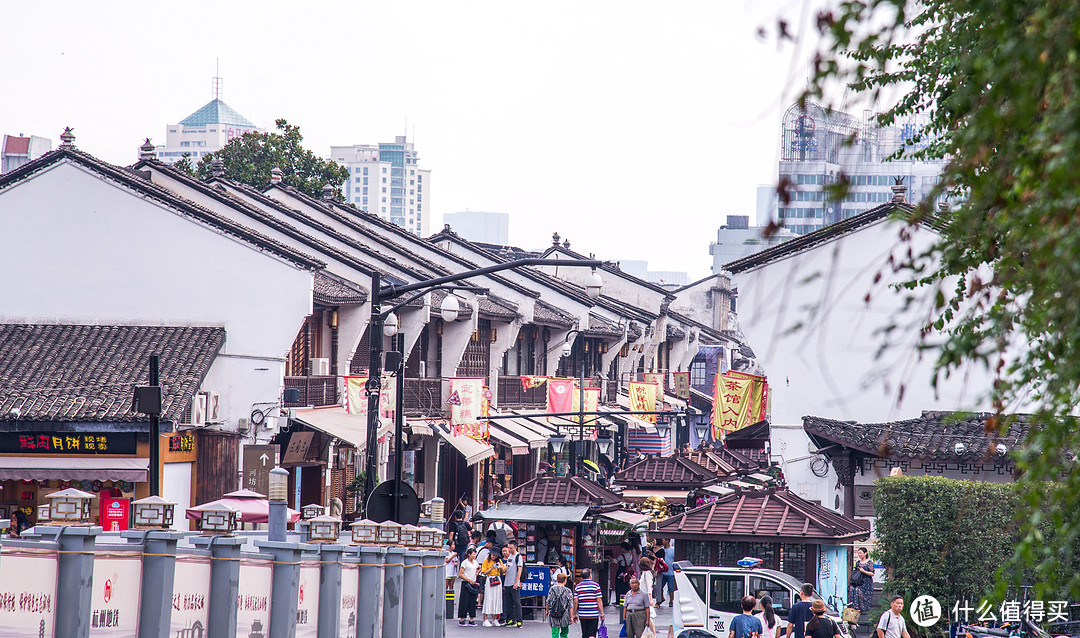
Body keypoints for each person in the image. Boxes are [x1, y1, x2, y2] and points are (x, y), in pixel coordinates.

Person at [573, 568, 604, 638]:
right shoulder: (596, 586)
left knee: (585, 634)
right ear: (590, 576)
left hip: (582, 614)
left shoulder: (578, 587)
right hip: (593, 614)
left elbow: (575, 602)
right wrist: (602, 613)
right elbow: (599, 600)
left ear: (581, 577)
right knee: (592, 634)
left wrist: (574, 614)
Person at [480, 545, 506, 626]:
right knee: (488, 598)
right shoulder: (486, 561)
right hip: (489, 579)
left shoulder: (499, 561)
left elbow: (504, 571)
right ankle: (485, 619)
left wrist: (500, 567)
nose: (493, 556)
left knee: (497, 599)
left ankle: (495, 618)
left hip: (497, 580)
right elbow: (483, 572)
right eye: (492, 555)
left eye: (495, 555)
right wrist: (491, 568)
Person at [502, 540, 525, 628]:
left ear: (515, 547)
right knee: (509, 602)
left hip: (514, 583)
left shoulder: (518, 556)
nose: (509, 549)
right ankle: (511, 619)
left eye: (511, 548)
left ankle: (519, 620)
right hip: (507, 582)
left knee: (516, 602)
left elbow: (520, 570)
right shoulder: (509, 556)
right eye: (508, 548)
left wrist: (517, 582)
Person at [546, 571, 574, 638]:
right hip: (565, 614)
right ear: (565, 580)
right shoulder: (568, 591)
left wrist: (547, 611)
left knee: (555, 632)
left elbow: (548, 602)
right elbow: (570, 605)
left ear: (557, 580)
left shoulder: (552, 589)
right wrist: (571, 616)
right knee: (564, 633)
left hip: (554, 613)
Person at [457, 548, 481, 627]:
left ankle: (472, 619)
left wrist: (476, 574)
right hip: (466, 583)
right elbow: (460, 574)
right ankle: (462, 619)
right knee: (464, 601)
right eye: (473, 554)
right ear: (469, 554)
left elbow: (479, 568)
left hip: (473, 582)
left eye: (475, 554)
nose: (474, 555)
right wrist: (468, 580)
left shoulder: (475, 562)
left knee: (472, 601)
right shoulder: (465, 563)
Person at [851, 548, 875, 616]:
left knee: (860, 592)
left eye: (860, 553)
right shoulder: (858, 562)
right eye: (858, 553)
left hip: (867, 582)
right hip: (859, 581)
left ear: (865, 553)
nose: (859, 555)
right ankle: (856, 607)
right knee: (854, 590)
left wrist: (863, 571)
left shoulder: (869, 562)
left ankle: (864, 609)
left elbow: (872, 573)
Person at [660, 538, 676, 606]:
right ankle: (661, 598)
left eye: (663, 540)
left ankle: (671, 601)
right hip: (662, 572)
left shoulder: (673, 550)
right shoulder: (661, 550)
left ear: (667, 541)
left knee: (671, 588)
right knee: (660, 586)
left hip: (670, 572)